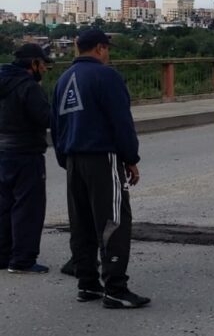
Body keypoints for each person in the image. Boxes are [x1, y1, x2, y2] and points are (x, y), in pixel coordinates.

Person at [51, 29, 149, 308]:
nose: (108, 54)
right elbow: (121, 121)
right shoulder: (107, 76)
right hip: (101, 157)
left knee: (81, 223)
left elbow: (55, 125)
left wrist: (66, 159)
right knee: (113, 221)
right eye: (107, 48)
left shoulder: (62, 80)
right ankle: (116, 288)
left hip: (72, 158)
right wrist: (130, 158)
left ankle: (88, 284)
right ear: (99, 48)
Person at [0, 43, 53, 274]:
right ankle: (22, 260)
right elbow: (45, 118)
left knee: (4, 206)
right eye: (43, 64)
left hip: (2, 152)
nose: (45, 69)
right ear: (33, 64)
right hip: (25, 153)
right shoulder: (28, 87)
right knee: (27, 207)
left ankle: (3, 255)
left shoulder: (3, 81)